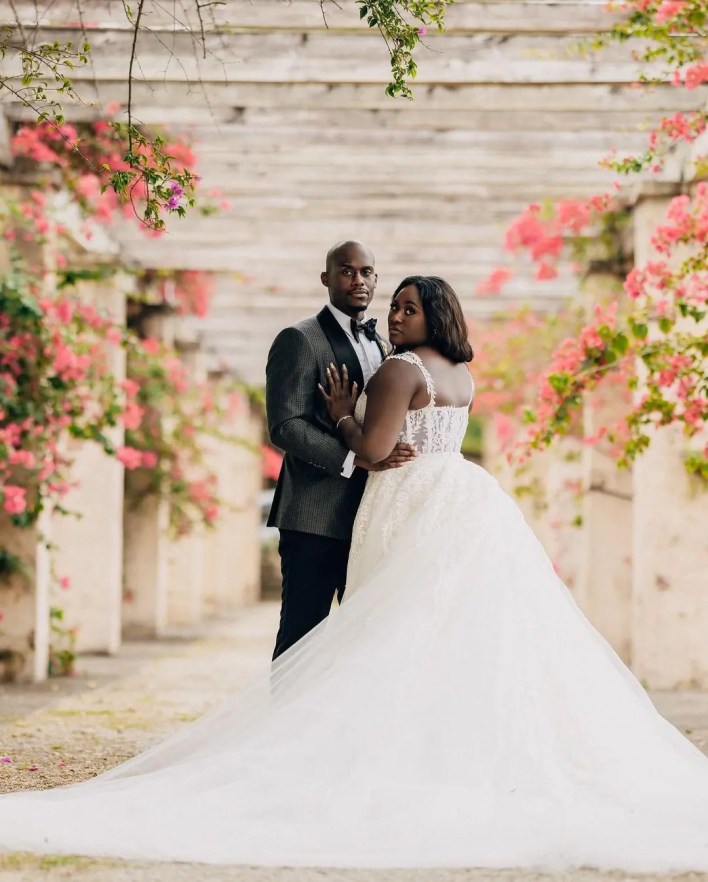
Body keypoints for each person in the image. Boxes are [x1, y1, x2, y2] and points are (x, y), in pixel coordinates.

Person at [1, 276, 708, 869]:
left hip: (405, 500)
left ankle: (363, 756)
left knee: (390, 631)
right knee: (440, 634)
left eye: (407, 307)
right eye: (393, 306)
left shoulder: (401, 370)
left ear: (435, 314)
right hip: (459, 495)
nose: (394, 315)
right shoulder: (462, 372)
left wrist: (344, 414)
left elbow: (372, 453)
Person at [265, 239, 415, 659]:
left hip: (370, 516)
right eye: (347, 271)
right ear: (326, 278)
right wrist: (354, 457)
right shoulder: (298, 339)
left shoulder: (387, 347)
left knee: (362, 641)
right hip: (313, 515)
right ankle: (287, 724)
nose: (358, 280)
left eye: (366, 272)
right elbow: (285, 425)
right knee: (302, 636)